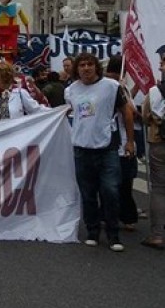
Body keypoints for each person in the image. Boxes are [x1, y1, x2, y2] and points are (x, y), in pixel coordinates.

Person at [65, 52, 134, 252]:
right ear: (77, 69)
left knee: (110, 191)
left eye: (89, 64)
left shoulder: (112, 87)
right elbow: (69, 112)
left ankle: (113, 235)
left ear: (96, 67)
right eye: (82, 65)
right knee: (87, 194)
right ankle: (93, 231)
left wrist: (130, 141)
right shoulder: (71, 90)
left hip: (107, 149)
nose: (86, 68)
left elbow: (127, 112)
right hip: (81, 149)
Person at [105, 55, 139, 231]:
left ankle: (114, 215)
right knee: (122, 184)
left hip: (116, 142)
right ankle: (126, 216)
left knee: (113, 184)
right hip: (119, 142)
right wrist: (131, 142)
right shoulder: (115, 86)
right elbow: (129, 113)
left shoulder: (120, 86)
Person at [141, 49, 165, 250]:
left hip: (159, 142)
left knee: (159, 189)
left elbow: (144, 115)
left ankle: (158, 234)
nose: (159, 65)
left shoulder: (154, 92)